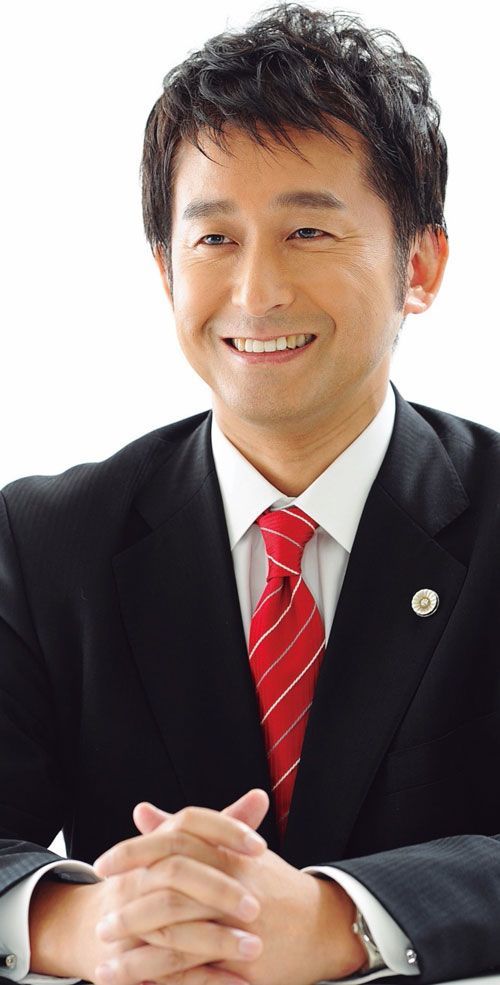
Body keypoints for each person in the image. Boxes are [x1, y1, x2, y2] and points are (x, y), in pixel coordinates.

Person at [1, 3, 499, 984]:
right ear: (165, 270)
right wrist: (88, 922)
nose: (256, 291)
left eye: (307, 229)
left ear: (420, 264)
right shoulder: (44, 541)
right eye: (214, 239)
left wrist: (339, 917)